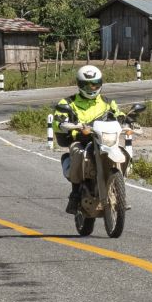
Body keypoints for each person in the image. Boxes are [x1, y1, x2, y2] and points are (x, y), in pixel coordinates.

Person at [55, 64, 121, 213]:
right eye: (87, 85)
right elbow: (59, 119)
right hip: (80, 140)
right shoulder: (68, 103)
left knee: (121, 149)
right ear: (80, 85)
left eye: (95, 84)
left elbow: (119, 114)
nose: (92, 88)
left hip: (103, 139)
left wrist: (129, 120)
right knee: (79, 153)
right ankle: (75, 193)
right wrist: (65, 124)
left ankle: (119, 190)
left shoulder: (108, 102)